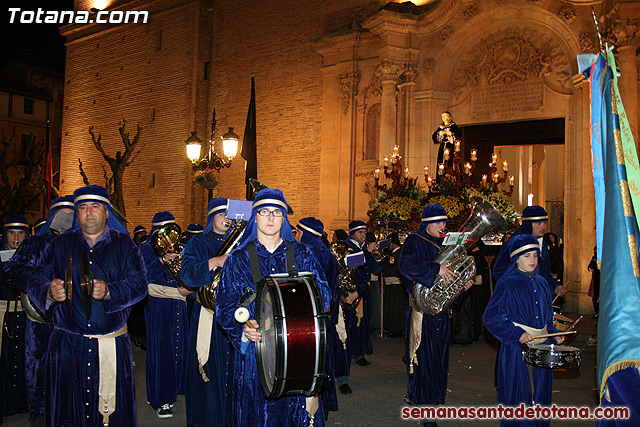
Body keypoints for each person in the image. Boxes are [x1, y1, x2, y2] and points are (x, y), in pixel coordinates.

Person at [27, 185, 148, 426]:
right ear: (76, 212)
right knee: (67, 415)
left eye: (95, 207)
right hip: (68, 347)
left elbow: (140, 284)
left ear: (106, 213)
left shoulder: (125, 245)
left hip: (111, 346)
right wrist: (49, 291)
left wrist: (111, 292)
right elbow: (35, 279)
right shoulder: (59, 244)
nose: (89, 213)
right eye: (82, 208)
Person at [216, 188, 331, 427]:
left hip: (300, 346)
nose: (270, 217)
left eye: (277, 212)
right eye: (264, 211)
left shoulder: (302, 254)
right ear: (255, 216)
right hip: (255, 355)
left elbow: (324, 295)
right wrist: (243, 330)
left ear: (284, 218)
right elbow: (225, 307)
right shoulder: (238, 259)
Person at [398, 204, 473, 427]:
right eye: (439, 223)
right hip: (422, 312)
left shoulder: (446, 244)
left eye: (445, 223)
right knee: (424, 359)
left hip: (441, 311)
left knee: (439, 359)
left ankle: (434, 400)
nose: (443, 227)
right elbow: (405, 266)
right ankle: (424, 408)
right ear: (427, 223)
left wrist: (461, 285)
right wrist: (435, 269)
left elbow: (452, 278)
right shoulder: (414, 240)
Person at [4, 196, 74, 426]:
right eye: (63, 213)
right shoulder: (36, 243)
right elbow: (12, 271)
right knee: (43, 381)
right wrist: (44, 286)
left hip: (75, 326)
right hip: (43, 328)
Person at [483, 234, 564, 427]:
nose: (532, 261)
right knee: (518, 396)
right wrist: (515, 333)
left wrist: (554, 333)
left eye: (535, 256)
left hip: (542, 347)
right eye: (527, 256)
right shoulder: (507, 282)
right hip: (516, 349)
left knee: (541, 396)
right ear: (516, 258)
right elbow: (492, 316)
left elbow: (547, 316)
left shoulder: (543, 283)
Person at [179, 197, 233, 427]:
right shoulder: (198, 243)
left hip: (235, 315)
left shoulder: (240, 244)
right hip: (208, 317)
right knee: (208, 371)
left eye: (229, 215)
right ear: (212, 218)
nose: (226, 219)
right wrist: (214, 262)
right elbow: (187, 274)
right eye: (221, 215)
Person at [140, 212, 191, 418]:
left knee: (181, 347)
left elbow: (190, 273)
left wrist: (189, 287)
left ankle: (179, 389)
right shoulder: (144, 249)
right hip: (157, 303)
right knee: (162, 351)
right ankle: (160, 398)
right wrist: (161, 261)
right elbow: (140, 275)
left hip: (179, 302)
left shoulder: (181, 248)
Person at [296, 217, 340, 420]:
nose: (295, 236)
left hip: (306, 320)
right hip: (325, 319)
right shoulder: (329, 255)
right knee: (324, 365)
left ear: (303, 233)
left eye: (297, 232)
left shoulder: (303, 252)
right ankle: (324, 409)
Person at [492, 206, 567, 300]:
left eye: (544, 223)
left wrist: (555, 287)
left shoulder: (542, 244)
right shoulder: (516, 242)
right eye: (539, 223)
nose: (543, 226)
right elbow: (498, 271)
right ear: (528, 224)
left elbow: (545, 274)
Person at [0, 214, 31, 417]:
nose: (16, 238)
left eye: (20, 233)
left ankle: (23, 401)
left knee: (24, 357)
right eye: (12, 233)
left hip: (25, 314)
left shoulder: (32, 257)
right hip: (2, 314)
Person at [343, 221, 382, 368]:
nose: (364, 235)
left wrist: (376, 255)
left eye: (365, 232)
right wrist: (366, 252)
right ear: (353, 233)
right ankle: (351, 352)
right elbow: (349, 263)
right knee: (353, 323)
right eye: (360, 232)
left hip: (365, 290)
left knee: (364, 323)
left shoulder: (365, 247)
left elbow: (376, 269)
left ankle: (360, 353)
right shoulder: (346, 245)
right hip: (352, 290)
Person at [381, 233, 406, 338]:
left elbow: (395, 269)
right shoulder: (394, 253)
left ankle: (397, 329)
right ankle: (393, 328)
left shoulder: (399, 253)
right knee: (391, 308)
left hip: (397, 285)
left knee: (396, 309)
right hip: (391, 285)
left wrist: (384, 270)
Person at [587, 246, 600, 318]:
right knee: (595, 296)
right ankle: (596, 311)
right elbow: (590, 266)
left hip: (601, 279)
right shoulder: (594, 257)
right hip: (596, 279)